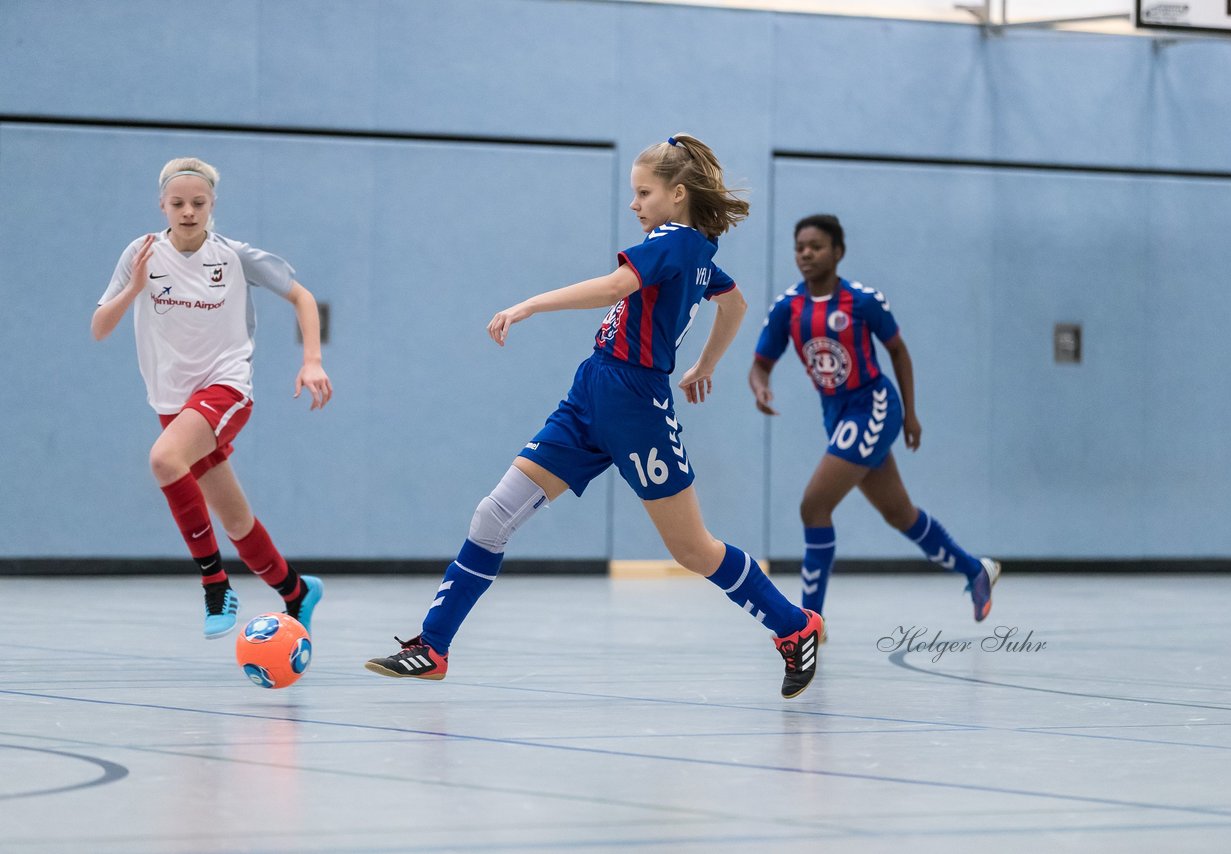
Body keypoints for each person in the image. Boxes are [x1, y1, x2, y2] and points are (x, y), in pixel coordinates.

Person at [365, 134, 824, 699]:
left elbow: (617, 287)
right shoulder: (693, 250)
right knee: (493, 515)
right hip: (592, 392)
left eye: (643, 192)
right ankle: (433, 648)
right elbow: (734, 302)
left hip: (638, 407)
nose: (634, 204)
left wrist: (526, 305)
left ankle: (794, 627)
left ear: (677, 195)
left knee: (693, 550)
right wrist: (704, 364)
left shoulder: (675, 241)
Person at [92, 157, 332, 639]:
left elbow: (303, 297)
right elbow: (99, 327)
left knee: (164, 460)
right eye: (177, 203)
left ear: (211, 205)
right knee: (235, 518)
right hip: (172, 403)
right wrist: (133, 289)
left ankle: (215, 584)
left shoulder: (234, 257)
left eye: (197, 203)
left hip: (226, 388)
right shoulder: (139, 254)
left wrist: (312, 361)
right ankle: (296, 591)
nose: (187, 211)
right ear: (161, 204)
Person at [749, 214, 999, 630]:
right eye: (799, 247)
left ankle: (810, 621)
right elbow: (760, 364)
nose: (806, 254)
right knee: (900, 514)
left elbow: (898, 351)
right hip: (837, 416)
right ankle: (976, 570)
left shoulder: (863, 301)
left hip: (873, 406)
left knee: (814, 505)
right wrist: (760, 387)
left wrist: (911, 414)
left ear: (838, 252)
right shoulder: (787, 308)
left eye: (816, 246)